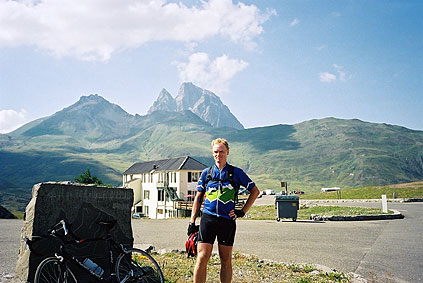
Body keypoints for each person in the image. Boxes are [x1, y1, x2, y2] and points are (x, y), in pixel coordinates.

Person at [188, 138, 260, 283]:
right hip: (208, 218)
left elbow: (255, 191)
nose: (218, 155)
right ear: (212, 153)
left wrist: (242, 211)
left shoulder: (236, 172)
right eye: (215, 152)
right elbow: (198, 198)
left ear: (227, 152)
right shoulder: (206, 173)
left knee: (225, 259)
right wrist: (192, 222)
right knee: (202, 256)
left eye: (221, 151)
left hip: (227, 221)